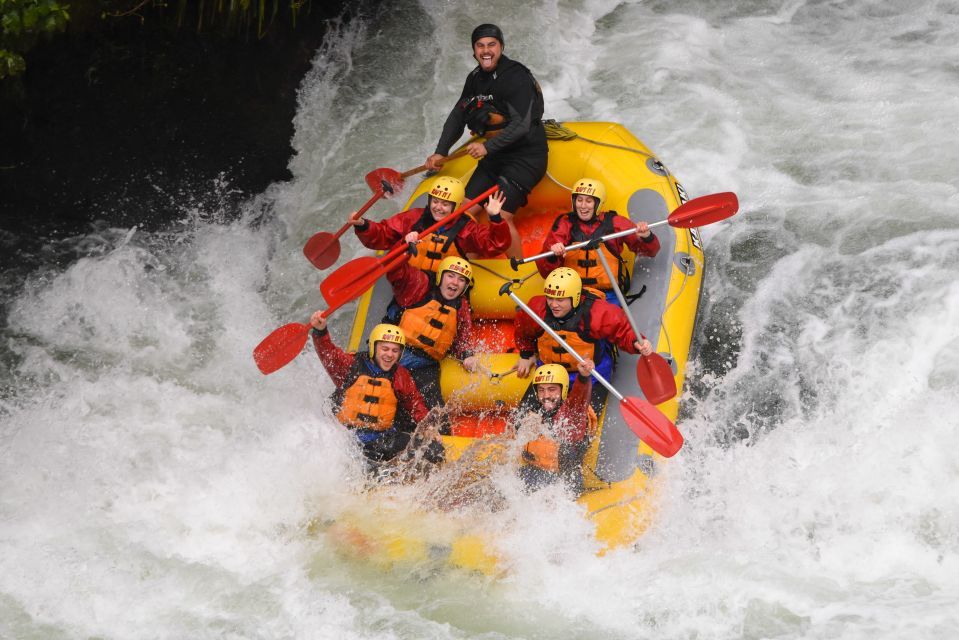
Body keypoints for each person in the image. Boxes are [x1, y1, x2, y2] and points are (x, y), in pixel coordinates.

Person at [424, 24, 548, 256]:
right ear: (474, 51)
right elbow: (458, 115)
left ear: (501, 47)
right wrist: (441, 151)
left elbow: (521, 125)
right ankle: (467, 266)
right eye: (480, 46)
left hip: (524, 158)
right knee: (462, 211)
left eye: (491, 45)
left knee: (500, 215)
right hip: (494, 158)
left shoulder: (516, 76)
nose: (486, 50)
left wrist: (486, 146)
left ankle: (517, 272)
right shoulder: (475, 78)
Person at [513, 267, 653, 410]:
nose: (553, 304)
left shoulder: (597, 312)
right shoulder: (537, 308)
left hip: (591, 375)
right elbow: (523, 328)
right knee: (523, 422)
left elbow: (622, 329)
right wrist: (526, 353)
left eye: (560, 299)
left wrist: (636, 342)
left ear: (575, 297)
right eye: (550, 297)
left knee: (582, 427)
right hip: (549, 377)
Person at [309, 317, 443, 466]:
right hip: (348, 440)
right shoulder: (351, 365)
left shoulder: (400, 375)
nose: (389, 355)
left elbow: (414, 403)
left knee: (434, 450)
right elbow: (329, 355)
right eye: (384, 349)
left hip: (381, 439)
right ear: (373, 347)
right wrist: (320, 332)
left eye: (395, 350)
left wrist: (428, 426)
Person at [351, 176, 513, 275]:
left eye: (445, 204)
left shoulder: (466, 228)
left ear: (455, 206)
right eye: (435, 201)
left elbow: (493, 245)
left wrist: (495, 217)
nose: (438, 207)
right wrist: (363, 225)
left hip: (447, 290)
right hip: (413, 284)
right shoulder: (414, 217)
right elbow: (383, 234)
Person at [536, 178, 660, 301]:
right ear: (574, 201)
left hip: (608, 294)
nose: (583, 206)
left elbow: (650, 252)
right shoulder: (565, 224)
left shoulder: (615, 222)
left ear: (598, 203)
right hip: (572, 293)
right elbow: (545, 272)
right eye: (579, 200)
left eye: (589, 201)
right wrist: (552, 254)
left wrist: (647, 237)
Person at [383, 254, 479, 409]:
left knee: (434, 411)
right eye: (451, 276)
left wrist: (467, 355)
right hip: (395, 353)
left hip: (425, 364)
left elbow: (463, 337)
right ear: (440, 276)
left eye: (461, 280)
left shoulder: (461, 307)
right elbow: (397, 272)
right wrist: (405, 249)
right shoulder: (420, 285)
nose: (455, 283)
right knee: (384, 393)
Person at [513, 361, 598, 492]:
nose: (546, 396)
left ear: (563, 389)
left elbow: (579, 400)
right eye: (541, 390)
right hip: (533, 472)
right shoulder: (536, 412)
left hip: (564, 482)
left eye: (552, 389)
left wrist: (583, 378)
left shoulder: (571, 415)